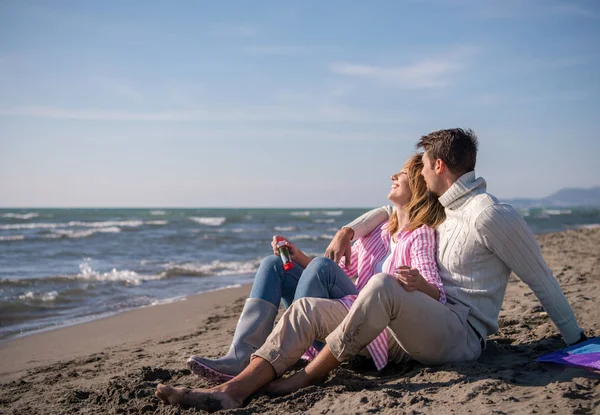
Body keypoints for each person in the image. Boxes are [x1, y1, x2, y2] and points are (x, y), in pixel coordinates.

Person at [155, 152, 449, 411]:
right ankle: (241, 356)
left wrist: (417, 283)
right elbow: (341, 278)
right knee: (276, 264)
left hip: (369, 326)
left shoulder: (420, 234)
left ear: (419, 185)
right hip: (342, 310)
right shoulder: (377, 232)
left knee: (320, 265)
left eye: (402, 173)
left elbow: (437, 294)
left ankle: (282, 356)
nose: (393, 176)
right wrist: (299, 258)